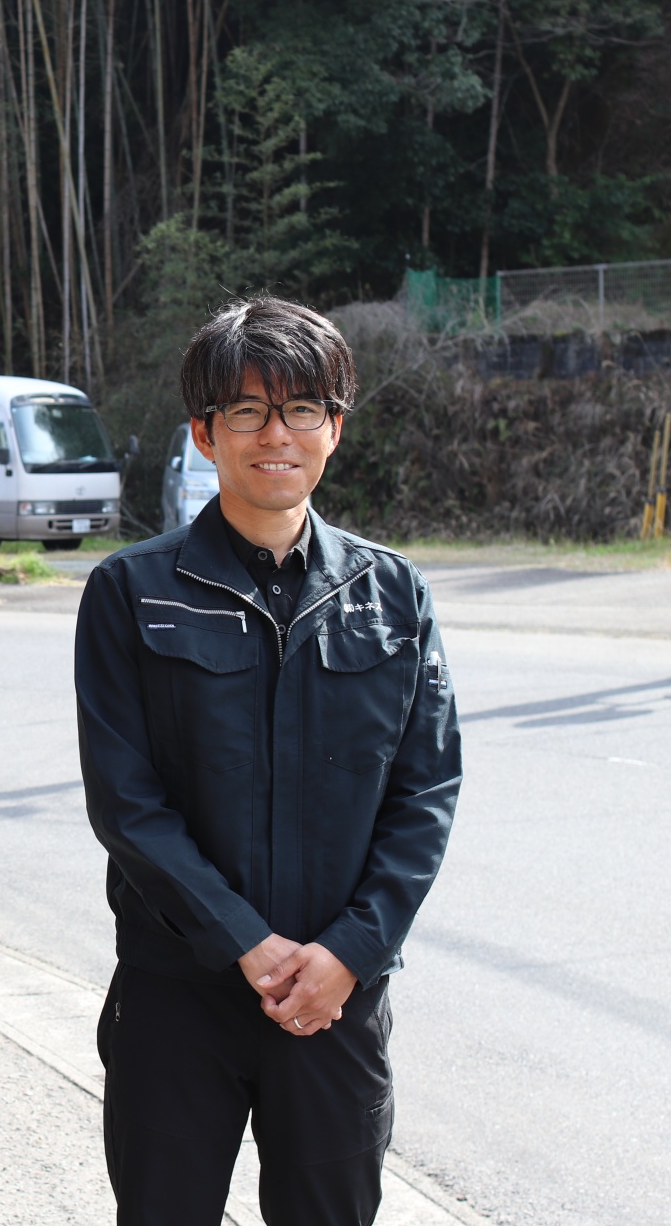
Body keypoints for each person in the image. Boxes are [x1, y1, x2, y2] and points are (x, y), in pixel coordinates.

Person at [76, 296, 462, 1225]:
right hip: (178, 997)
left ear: (335, 427)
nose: (275, 434)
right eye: (247, 410)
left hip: (335, 999)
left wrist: (350, 953)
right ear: (205, 432)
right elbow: (127, 804)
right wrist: (246, 943)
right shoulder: (132, 591)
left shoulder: (391, 593)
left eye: (301, 409)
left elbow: (426, 792)